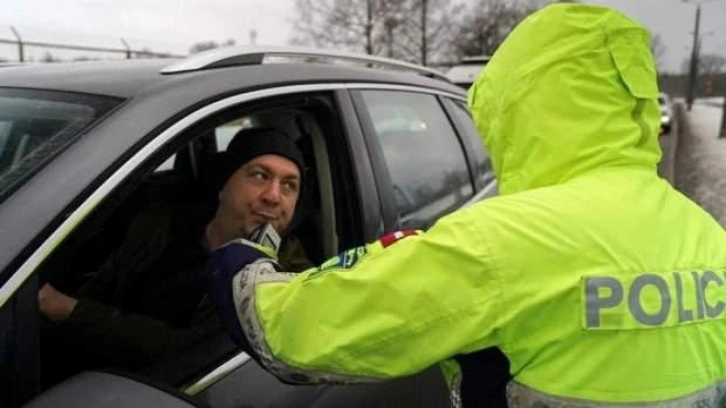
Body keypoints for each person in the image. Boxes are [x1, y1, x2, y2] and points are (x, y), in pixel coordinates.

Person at [204, 3, 726, 408]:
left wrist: (236, 260)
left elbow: (291, 330)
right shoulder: (704, 234)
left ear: (518, 108)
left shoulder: (501, 242)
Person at [37, 127, 313, 379]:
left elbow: (188, 353)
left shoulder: (283, 281)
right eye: (260, 176)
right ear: (223, 185)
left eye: (289, 185)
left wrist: (70, 311)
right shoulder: (160, 225)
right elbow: (100, 285)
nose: (274, 196)